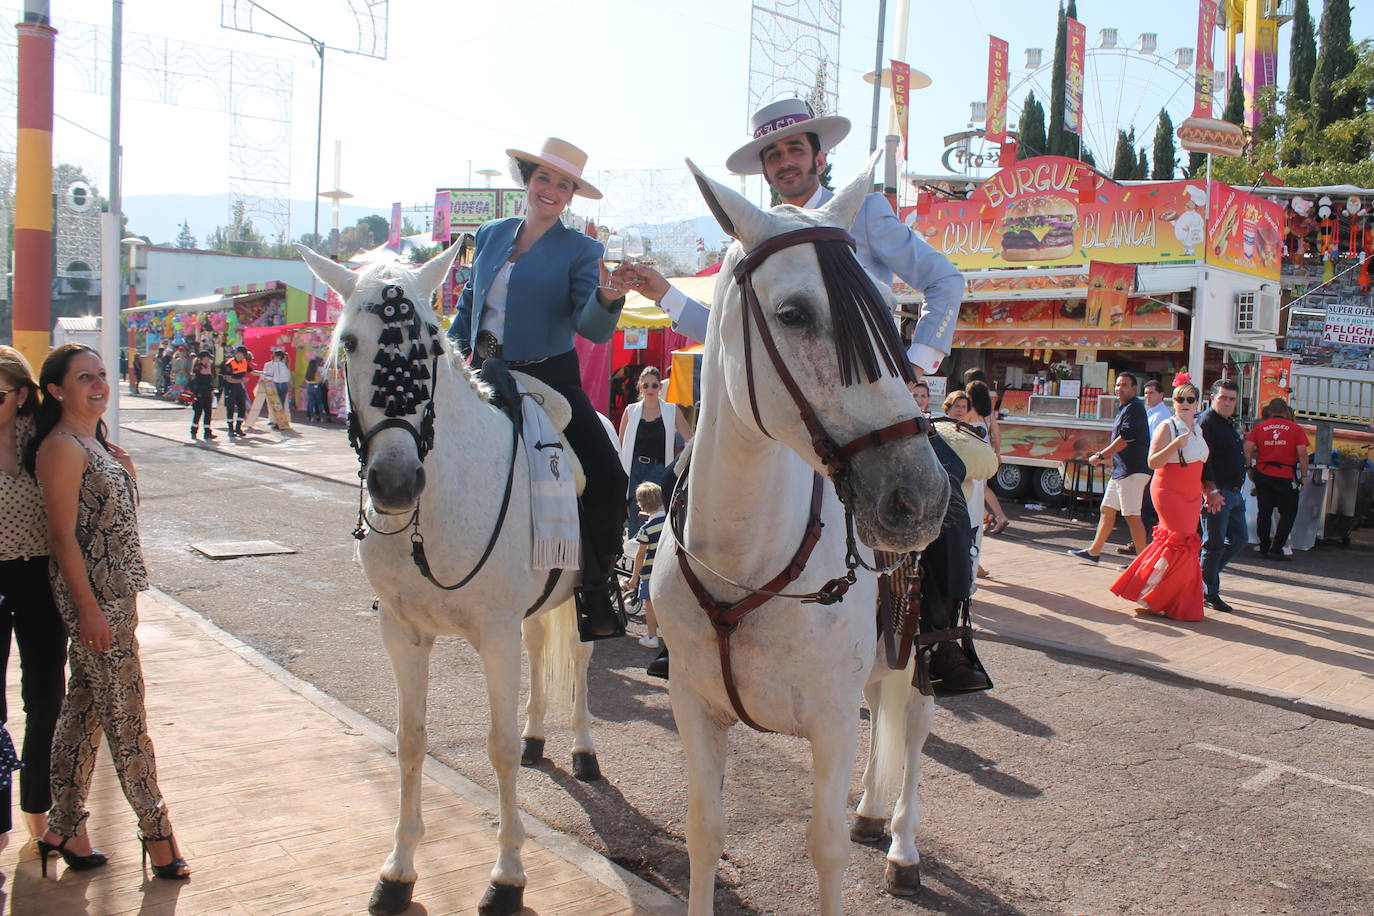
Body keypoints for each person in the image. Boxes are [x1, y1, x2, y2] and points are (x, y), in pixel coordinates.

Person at [621, 97, 962, 379]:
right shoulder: (752, 240)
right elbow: (727, 332)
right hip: (788, 413)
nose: (785, 161)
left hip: (871, 405)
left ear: (820, 159)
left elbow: (945, 280)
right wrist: (663, 294)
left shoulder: (865, 213)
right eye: (773, 155)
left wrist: (914, 365)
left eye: (795, 149)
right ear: (766, 172)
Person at [447, 137, 631, 641]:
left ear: (572, 195)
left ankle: (595, 586)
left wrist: (607, 296)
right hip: (481, 371)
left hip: (549, 377)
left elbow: (592, 329)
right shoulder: (489, 233)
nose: (551, 190)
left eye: (564, 184)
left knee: (609, 480)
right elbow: (469, 303)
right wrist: (447, 356)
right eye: (544, 178)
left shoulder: (583, 250)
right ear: (527, 179)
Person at [27, 344, 190, 880]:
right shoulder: (61, 448)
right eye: (83, 378)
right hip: (97, 604)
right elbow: (62, 538)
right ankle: (157, 833)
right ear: (55, 390)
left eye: (102, 375)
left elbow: (117, 525)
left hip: (119, 598)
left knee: (85, 712)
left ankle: (64, 825)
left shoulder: (94, 444)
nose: (99, 385)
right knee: (127, 719)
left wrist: (127, 469)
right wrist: (88, 610)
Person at [0, 346, 67, 849]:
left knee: (46, 699)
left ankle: (38, 811)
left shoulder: (39, 439)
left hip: (40, 580)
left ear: (22, 395)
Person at [1110, 379, 1209, 620]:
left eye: (1190, 399)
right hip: (1169, 491)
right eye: (1179, 399)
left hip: (1192, 494)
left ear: (1197, 403)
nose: (1185, 403)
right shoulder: (1168, 426)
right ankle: (1163, 597)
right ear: (1173, 402)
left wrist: (1205, 492)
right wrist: (1174, 445)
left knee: (1179, 544)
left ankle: (1152, 592)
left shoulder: (1198, 429)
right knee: (1179, 542)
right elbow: (1152, 462)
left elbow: (1200, 464)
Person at [1068, 372, 1150, 562]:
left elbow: (1126, 438)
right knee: (1107, 509)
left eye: (1125, 385)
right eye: (1118, 384)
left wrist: (1101, 455)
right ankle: (1094, 552)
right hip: (1121, 471)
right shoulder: (1125, 408)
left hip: (1132, 471)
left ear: (1134, 388)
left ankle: (1142, 563)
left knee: (1132, 516)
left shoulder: (1135, 408)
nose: (1120, 388)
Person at [618, 367, 692, 535]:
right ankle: (635, 554)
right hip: (634, 468)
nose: (650, 389)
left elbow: (690, 440)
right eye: (646, 385)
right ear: (639, 387)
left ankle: (655, 554)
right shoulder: (630, 411)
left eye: (654, 385)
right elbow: (620, 445)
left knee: (659, 513)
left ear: (660, 387)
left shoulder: (671, 410)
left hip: (659, 468)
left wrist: (681, 465)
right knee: (635, 513)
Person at [1198, 378, 1246, 613]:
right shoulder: (1207, 422)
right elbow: (1203, 460)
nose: (1227, 403)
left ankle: (1204, 576)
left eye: (1232, 399)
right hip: (1218, 492)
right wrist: (1211, 490)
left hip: (1234, 493)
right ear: (1212, 398)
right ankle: (1208, 591)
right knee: (1214, 544)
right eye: (1223, 398)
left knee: (1238, 539)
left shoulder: (1227, 423)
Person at [1245, 397, 1309, 560]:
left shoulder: (1260, 427)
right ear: (1286, 412)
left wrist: (1249, 468)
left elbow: (1247, 447)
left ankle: (1264, 546)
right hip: (1285, 475)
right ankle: (1277, 547)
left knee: (1264, 512)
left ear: (1270, 411)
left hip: (1263, 473)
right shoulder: (1296, 429)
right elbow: (1302, 453)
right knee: (1288, 513)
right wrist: (1304, 476)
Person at [965, 380, 1009, 536]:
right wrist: (997, 453)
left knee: (973, 489)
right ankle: (992, 516)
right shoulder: (988, 414)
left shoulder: (969, 412)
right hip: (987, 455)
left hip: (972, 456)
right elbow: (996, 435)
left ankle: (988, 517)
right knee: (982, 488)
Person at [1133, 378, 1173, 543]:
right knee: (1144, 505)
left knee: (1146, 505)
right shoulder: (1151, 412)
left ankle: (1143, 541)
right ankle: (1141, 540)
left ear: (1161, 395)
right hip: (1149, 462)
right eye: (1146, 393)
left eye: (1151, 393)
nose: (1147, 396)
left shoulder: (1160, 415)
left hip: (1152, 464)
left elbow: (1154, 442)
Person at [627, 482, 666, 649]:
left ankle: (652, 636)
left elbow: (640, 554)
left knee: (649, 605)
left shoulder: (646, 529)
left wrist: (635, 577)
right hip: (667, 571)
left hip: (650, 573)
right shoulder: (669, 521)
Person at [220, 346, 251, 437]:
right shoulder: (229, 363)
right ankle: (230, 429)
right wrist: (242, 380)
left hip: (239, 388)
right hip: (230, 388)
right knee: (230, 408)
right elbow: (229, 379)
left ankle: (238, 428)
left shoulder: (244, 362)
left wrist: (264, 373)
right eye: (238, 353)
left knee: (242, 407)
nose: (239, 355)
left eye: (241, 354)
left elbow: (252, 371)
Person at [259, 349, 293, 428]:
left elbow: (268, 374)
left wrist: (262, 377)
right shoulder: (284, 364)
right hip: (284, 385)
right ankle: (282, 422)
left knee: (276, 405)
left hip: (275, 385)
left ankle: (278, 423)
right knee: (282, 404)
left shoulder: (275, 364)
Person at [188, 351, 217, 441]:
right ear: (203, 358)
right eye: (207, 357)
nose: (209, 359)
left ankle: (207, 432)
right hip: (199, 394)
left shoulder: (207, 366)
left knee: (208, 413)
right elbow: (207, 372)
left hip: (207, 393)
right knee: (198, 413)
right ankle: (193, 431)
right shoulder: (198, 366)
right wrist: (210, 367)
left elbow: (211, 378)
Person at [304, 351, 326, 423]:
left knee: (310, 403)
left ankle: (311, 417)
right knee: (319, 402)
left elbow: (306, 380)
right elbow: (320, 380)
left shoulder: (308, 372)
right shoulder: (317, 372)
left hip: (309, 386)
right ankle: (321, 417)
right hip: (317, 386)